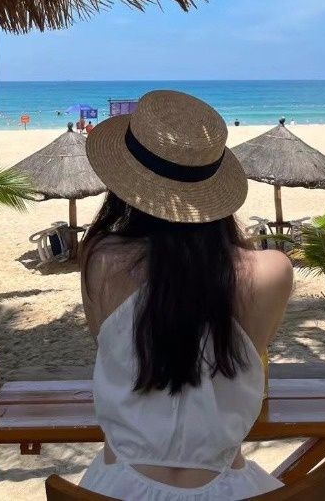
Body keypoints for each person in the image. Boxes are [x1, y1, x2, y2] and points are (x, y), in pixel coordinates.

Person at [79, 90, 293, 499]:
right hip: (226, 489)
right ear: (214, 187)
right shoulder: (271, 271)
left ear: (126, 187)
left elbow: (111, 349)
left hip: (118, 486)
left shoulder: (101, 258)